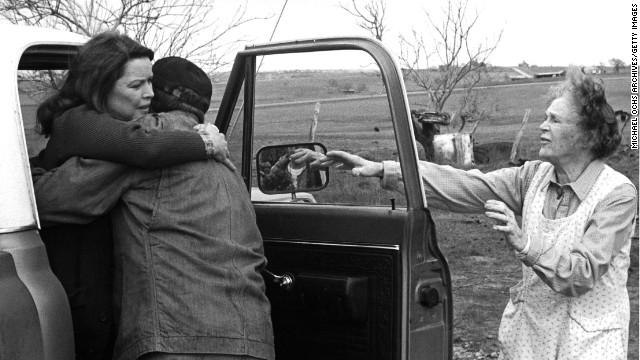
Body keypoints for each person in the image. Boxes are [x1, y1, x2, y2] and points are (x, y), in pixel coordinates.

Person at [315, 71, 637, 359]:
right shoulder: (534, 176)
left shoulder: (616, 195)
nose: (542, 126)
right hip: (532, 339)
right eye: (544, 117)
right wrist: (384, 170)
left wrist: (525, 244)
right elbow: (467, 184)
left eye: (555, 120)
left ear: (588, 135)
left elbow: (580, 273)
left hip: (588, 346)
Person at [33, 55, 274, 360]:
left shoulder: (150, 139)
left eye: (147, 84)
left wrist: (35, 168)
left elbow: (47, 200)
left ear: (155, 96)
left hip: (180, 338)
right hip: (253, 337)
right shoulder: (223, 161)